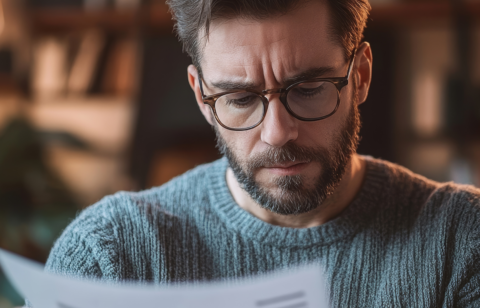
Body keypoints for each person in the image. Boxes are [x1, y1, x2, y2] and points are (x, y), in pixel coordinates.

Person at [40, 0, 480, 307]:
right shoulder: (113, 254)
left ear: (360, 75)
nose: (277, 134)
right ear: (201, 96)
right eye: (240, 98)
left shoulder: (461, 242)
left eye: (307, 90)